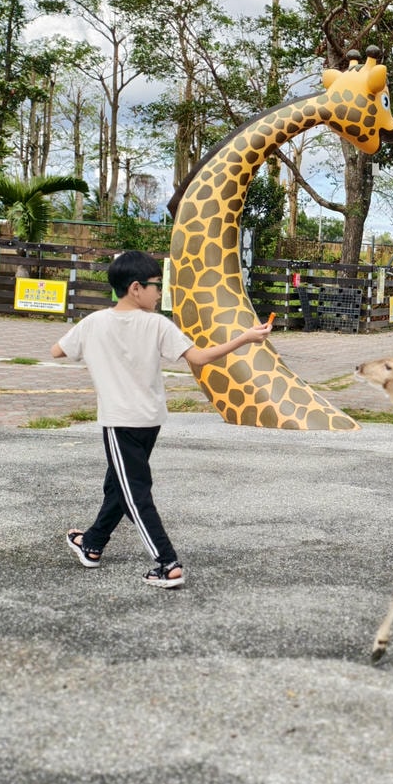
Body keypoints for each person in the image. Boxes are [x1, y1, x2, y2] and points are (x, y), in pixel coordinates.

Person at [52, 250, 271, 589]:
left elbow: (57, 350)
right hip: (149, 420)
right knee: (119, 484)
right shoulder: (157, 325)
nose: (160, 292)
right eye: (157, 286)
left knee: (133, 491)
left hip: (119, 420)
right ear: (136, 288)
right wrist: (244, 338)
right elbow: (199, 357)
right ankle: (92, 543)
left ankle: (167, 562)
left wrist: (100, 356)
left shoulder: (94, 323)